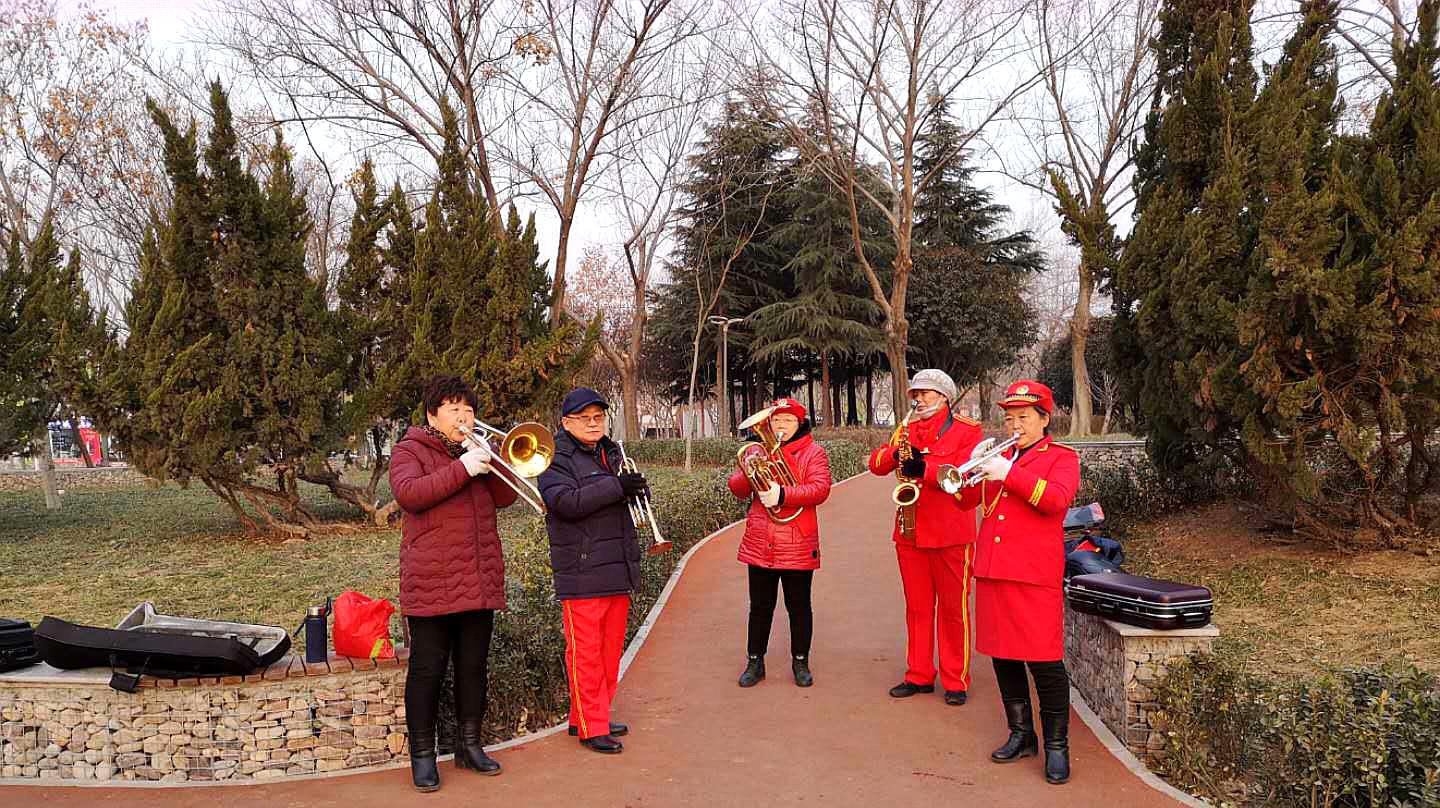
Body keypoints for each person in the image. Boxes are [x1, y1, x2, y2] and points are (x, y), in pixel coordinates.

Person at [389, 375, 516, 792]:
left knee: (472, 667)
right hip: (431, 580)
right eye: (453, 408)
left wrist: (493, 461)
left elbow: (507, 497)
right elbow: (410, 494)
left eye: (469, 409)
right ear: (432, 414)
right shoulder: (410, 450)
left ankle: (469, 745)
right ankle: (423, 756)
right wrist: (462, 468)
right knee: (427, 671)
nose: (464, 417)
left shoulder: (477, 447)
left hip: (477, 576)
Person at [955, 380, 1081, 785]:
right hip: (994, 570)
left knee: (1045, 663)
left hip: (1032, 573)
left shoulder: (1061, 458)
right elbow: (964, 500)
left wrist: (1007, 471)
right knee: (1004, 657)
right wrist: (971, 467)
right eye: (1009, 417)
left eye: (1024, 417)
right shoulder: (998, 455)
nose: (1015, 424)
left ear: (1045, 419)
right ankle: (1021, 734)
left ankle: (1057, 745)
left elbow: (1055, 501)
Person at [537, 387, 648, 755]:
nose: (592, 423)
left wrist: (637, 493)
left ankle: (588, 713)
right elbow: (565, 502)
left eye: (598, 416)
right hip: (582, 568)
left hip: (617, 562)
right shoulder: (553, 457)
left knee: (609, 650)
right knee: (585, 652)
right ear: (566, 423)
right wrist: (616, 486)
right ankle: (592, 726)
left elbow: (617, 496)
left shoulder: (612, 452)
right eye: (584, 417)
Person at [866, 369, 983, 705]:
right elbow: (876, 464)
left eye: (926, 393)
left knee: (953, 610)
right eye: (915, 394)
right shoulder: (906, 429)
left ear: (944, 396)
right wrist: (894, 454)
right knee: (916, 608)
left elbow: (966, 475)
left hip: (951, 533)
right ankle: (918, 674)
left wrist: (926, 470)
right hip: (910, 530)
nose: (918, 399)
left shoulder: (966, 431)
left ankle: (955, 680)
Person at [726, 398, 833, 688]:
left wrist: (783, 494)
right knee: (759, 606)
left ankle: (800, 662)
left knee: (798, 606)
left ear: (800, 424)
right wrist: (749, 471)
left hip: (797, 540)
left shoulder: (814, 452)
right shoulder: (759, 451)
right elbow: (736, 488)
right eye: (775, 421)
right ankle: (754, 662)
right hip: (761, 540)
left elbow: (820, 489)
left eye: (787, 420)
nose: (780, 426)